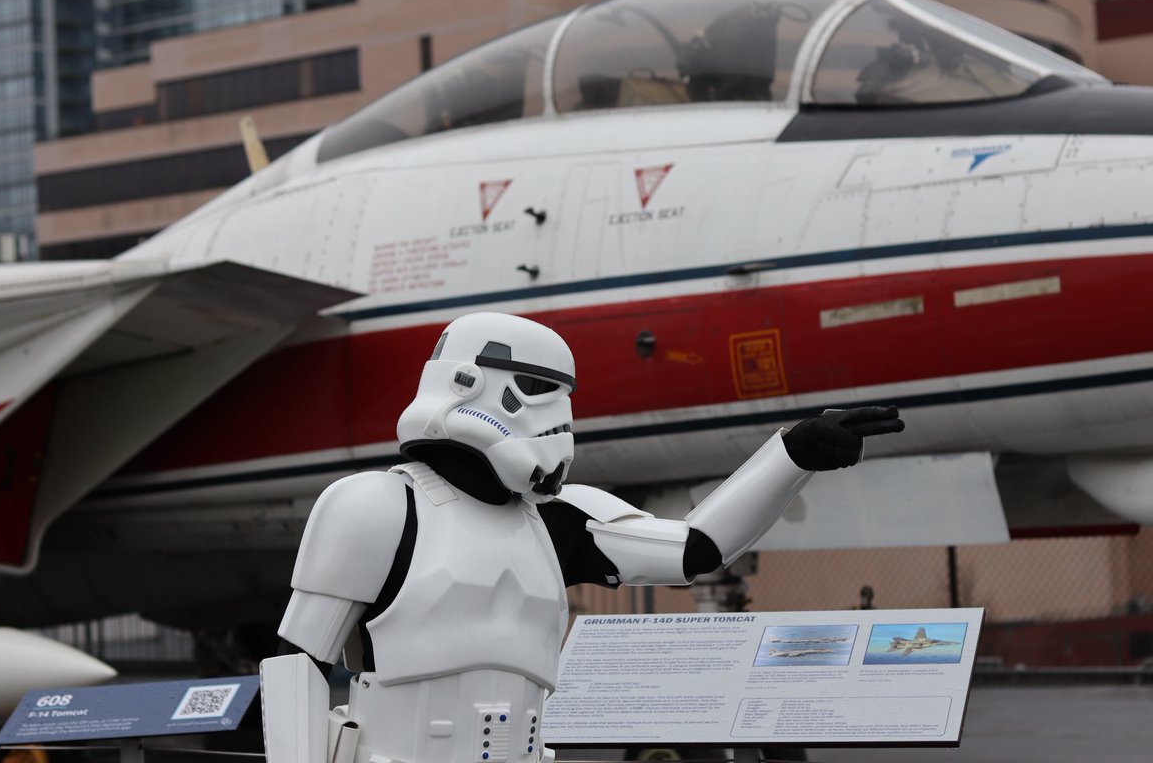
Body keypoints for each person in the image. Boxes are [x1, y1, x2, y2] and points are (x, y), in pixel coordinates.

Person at [261, 312, 903, 763]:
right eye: (539, 390)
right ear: (466, 382)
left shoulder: (555, 517)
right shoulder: (377, 504)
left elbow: (693, 549)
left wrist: (790, 455)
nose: (557, 416)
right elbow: (296, 668)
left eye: (564, 395)